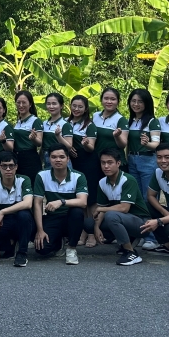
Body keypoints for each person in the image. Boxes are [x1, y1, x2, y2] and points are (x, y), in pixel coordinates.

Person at [86, 149, 150, 266]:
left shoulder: (128, 180)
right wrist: (96, 227)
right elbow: (102, 207)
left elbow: (124, 208)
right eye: (103, 163)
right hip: (122, 219)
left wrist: (101, 209)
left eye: (110, 162)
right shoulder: (102, 182)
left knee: (111, 215)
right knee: (89, 223)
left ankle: (131, 252)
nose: (106, 166)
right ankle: (126, 241)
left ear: (118, 163)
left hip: (142, 223)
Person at [32, 144, 88, 265]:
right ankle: (58, 242)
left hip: (70, 217)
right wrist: (40, 230)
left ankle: (71, 248)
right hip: (52, 217)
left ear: (68, 159)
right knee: (42, 249)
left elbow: (83, 202)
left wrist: (61, 202)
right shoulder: (42, 175)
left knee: (77, 212)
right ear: (49, 159)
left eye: (62, 157)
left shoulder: (78, 176)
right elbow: (37, 203)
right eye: (54, 157)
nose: (58, 160)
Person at [0, 151, 33, 267]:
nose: (8, 169)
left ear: (16, 167)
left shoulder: (24, 180)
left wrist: (3, 211)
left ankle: (22, 253)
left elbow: (28, 203)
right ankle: (10, 245)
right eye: (4, 166)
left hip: (23, 221)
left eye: (11, 166)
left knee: (24, 215)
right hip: (5, 222)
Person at [69, 95, 100, 247]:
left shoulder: (90, 125)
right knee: (80, 200)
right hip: (73, 164)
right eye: (74, 106)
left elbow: (91, 148)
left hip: (89, 163)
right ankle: (82, 231)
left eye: (80, 107)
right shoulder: (66, 123)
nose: (76, 109)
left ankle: (93, 233)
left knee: (91, 200)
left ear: (86, 108)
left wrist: (86, 143)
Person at [86, 86, 128, 163]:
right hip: (96, 160)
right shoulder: (95, 116)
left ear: (118, 101)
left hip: (114, 162)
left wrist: (117, 136)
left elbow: (123, 145)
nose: (109, 102)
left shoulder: (121, 120)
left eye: (113, 99)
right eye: (106, 98)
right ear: (101, 100)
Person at [10, 90, 42, 185]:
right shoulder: (18, 121)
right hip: (16, 157)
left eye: (24, 102)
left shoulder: (35, 120)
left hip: (29, 158)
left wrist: (33, 138)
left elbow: (39, 142)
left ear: (30, 104)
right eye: (18, 102)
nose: (21, 105)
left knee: (29, 185)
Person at [41, 93, 73, 169]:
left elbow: (69, 147)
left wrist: (58, 136)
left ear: (61, 106)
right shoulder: (44, 123)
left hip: (60, 159)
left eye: (54, 104)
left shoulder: (65, 124)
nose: (51, 106)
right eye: (48, 104)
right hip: (47, 158)